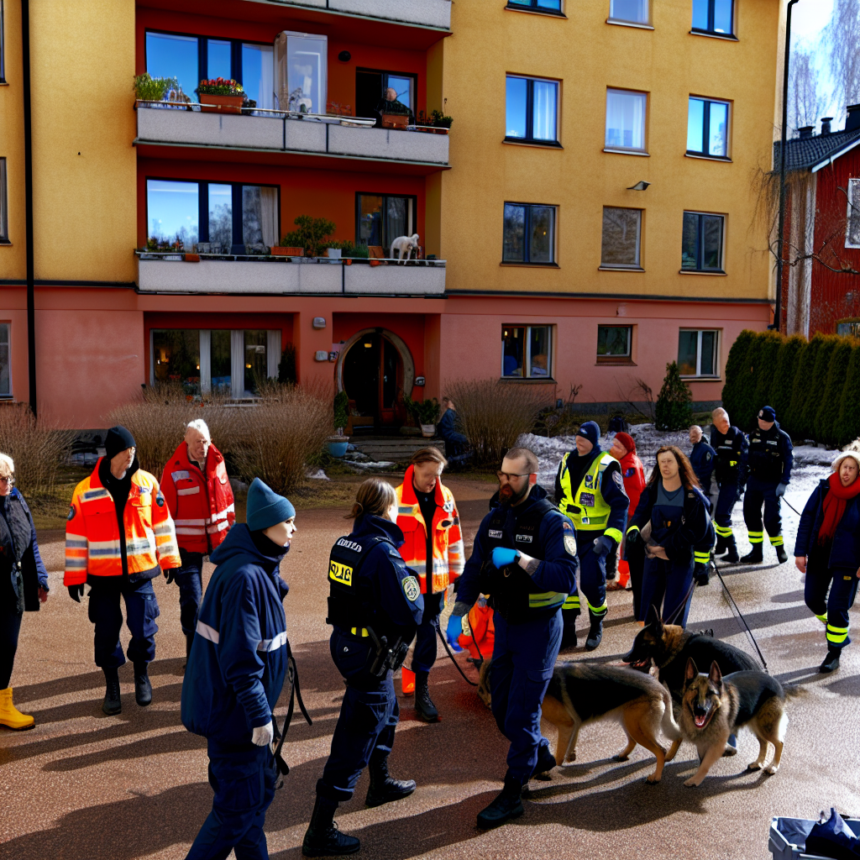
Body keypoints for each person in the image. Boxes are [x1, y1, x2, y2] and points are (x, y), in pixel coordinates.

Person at [445, 447, 577, 829]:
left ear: (531, 479)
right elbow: (473, 569)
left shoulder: (554, 523)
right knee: (501, 707)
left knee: (521, 711)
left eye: (512, 477)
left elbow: (566, 579)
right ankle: (538, 753)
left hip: (538, 628)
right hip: (504, 624)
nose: (504, 482)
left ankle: (513, 790)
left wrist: (521, 558)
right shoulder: (494, 518)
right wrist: (458, 613)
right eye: (501, 474)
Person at [303, 478, 423, 857]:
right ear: (386, 509)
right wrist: (415, 584)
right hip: (370, 651)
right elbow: (411, 609)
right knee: (356, 734)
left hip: (348, 642)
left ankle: (381, 783)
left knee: (386, 711)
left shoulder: (346, 543)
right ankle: (320, 829)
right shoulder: (383, 553)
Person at [181, 478, 295, 860]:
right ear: (266, 528)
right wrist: (261, 715)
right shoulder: (246, 578)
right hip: (238, 721)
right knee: (236, 812)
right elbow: (241, 660)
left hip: (240, 719)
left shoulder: (256, 569)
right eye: (287, 522)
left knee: (253, 807)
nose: (294, 528)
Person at [65, 426, 180, 715]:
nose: (131, 456)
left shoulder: (147, 484)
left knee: (143, 629)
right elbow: (77, 537)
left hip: (140, 572)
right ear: (113, 453)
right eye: (126, 451)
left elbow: (163, 526)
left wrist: (170, 561)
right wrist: (75, 576)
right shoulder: (85, 490)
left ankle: (141, 674)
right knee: (106, 633)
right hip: (102, 577)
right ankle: (112, 684)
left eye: (133, 451)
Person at [395, 447, 464, 721]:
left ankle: (422, 689)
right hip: (404, 589)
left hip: (434, 588)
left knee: (426, 640)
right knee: (398, 638)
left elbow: (455, 539)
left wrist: (458, 576)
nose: (432, 481)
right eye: (427, 475)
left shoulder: (446, 498)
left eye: (437, 475)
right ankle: (383, 687)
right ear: (414, 468)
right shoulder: (395, 498)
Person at [161, 418, 235, 662]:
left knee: (226, 596)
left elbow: (228, 504)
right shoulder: (173, 469)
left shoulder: (218, 462)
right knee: (192, 600)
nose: (200, 447)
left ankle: (222, 647)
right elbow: (163, 518)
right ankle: (194, 652)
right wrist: (167, 557)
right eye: (195, 442)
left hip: (219, 544)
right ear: (186, 441)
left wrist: (234, 541)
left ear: (210, 441)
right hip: (186, 548)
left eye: (204, 441)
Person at [554, 421, 628, 650]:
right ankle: (568, 628)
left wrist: (610, 538)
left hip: (595, 537)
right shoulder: (566, 461)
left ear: (593, 441)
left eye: (584, 438)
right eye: (577, 437)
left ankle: (597, 623)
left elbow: (620, 505)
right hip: (567, 532)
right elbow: (559, 496)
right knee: (563, 581)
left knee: (591, 582)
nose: (579, 441)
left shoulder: (606, 466)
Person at [626, 446, 712, 628]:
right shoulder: (652, 491)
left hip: (680, 557)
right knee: (649, 610)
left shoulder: (692, 496)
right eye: (661, 462)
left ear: (680, 464)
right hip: (654, 557)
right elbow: (640, 514)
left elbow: (697, 530)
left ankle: (674, 652)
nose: (665, 466)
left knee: (674, 613)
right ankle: (648, 651)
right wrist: (633, 529)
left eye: (670, 461)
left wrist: (669, 548)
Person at [794, 452, 860, 673]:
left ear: (858, 471)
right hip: (821, 552)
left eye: (852, 468)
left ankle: (834, 652)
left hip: (849, 559)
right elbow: (807, 519)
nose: (847, 472)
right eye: (844, 467)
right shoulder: (824, 488)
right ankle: (833, 623)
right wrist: (800, 552)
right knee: (812, 599)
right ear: (837, 468)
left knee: (837, 606)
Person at [0, 453, 48, 730]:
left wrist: (39, 578)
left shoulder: (17, 499)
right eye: (1, 479)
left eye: (9, 478)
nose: (7, 483)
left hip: (12, 586)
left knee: (8, 645)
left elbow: (30, 541)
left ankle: (3, 705)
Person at [742, 406, 793, 565]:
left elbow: (789, 461)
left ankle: (780, 549)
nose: (759, 421)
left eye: (762, 420)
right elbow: (746, 458)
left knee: (771, 519)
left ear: (770, 421)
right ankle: (756, 552)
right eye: (759, 418)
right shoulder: (753, 435)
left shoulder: (782, 437)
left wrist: (784, 482)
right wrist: (742, 480)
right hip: (754, 480)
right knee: (751, 515)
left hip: (772, 483)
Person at [607, 432, 646, 602]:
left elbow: (632, 492)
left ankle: (623, 580)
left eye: (617, 446)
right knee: (626, 546)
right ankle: (625, 579)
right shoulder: (626, 461)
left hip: (632, 513)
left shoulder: (629, 466)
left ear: (626, 449)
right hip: (631, 511)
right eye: (613, 444)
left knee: (626, 547)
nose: (612, 448)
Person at [709, 407, 748, 564]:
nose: (726, 424)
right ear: (715, 424)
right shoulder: (715, 435)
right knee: (717, 513)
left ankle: (733, 551)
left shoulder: (738, 436)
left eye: (726, 420)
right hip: (720, 481)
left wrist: (739, 484)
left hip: (733, 482)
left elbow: (745, 463)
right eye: (721, 422)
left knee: (722, 515)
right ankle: (721, 545)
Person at [689, 425, 716, 497]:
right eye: (691, 436)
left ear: (700, 435)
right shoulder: (696, 447)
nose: (692, 438)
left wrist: (696, 477)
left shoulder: (706, 449)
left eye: (695, 436)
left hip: (704, 483)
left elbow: (709, 468)